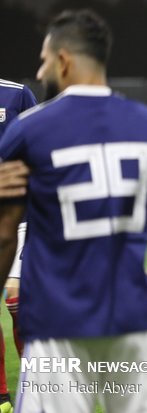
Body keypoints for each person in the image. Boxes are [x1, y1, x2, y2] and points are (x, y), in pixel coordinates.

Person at [0, 10, 147, 413]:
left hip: (58, 326)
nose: (40, 67)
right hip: (135, 321)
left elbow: (3, 234)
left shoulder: (30, 129)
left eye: (44, 58)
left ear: (64, 59)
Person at [0, 78, 37, 412]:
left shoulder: (15, 94)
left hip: (18, 218)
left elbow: (39, 151)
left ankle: (33, 390)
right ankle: (1, 396)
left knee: (18, 301)